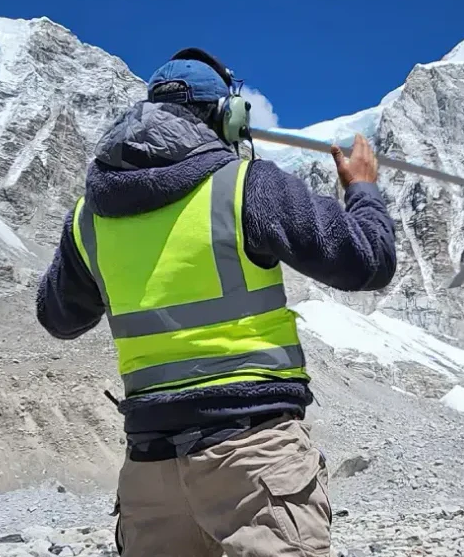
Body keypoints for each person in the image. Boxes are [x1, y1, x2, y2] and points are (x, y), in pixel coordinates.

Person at [35, 47, 397, 556]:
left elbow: (58, 318)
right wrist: (362, 189)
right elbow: (370, 260)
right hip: (253, 460)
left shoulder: (88, 219)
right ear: (229, 118)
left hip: (149, 474)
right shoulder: (247, 187)